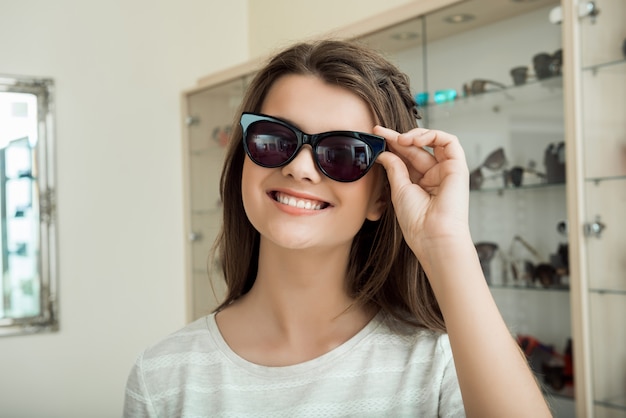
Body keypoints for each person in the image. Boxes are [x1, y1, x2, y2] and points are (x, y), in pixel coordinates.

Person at [123, 39, 552, 417]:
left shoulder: (444, 363)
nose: (300, 168)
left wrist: (446, 242)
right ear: (243, 161)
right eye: (274, 139)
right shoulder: (162, 376)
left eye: (343, 152)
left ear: (382, 196)